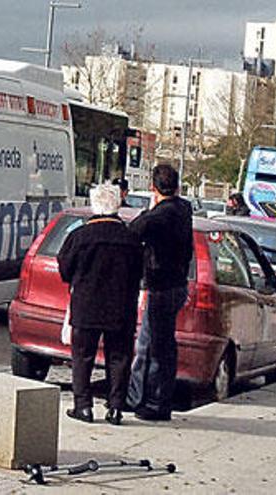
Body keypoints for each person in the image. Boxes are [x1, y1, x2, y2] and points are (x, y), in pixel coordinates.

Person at [57, 183, 143, 425]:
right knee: (119, 357)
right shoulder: (131, 239)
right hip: (121, 306)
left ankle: (83, 406)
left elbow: (64, 269)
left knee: (82, 357)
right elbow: (140, 271)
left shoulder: (80, 237)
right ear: (117, 205)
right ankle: (115, 407)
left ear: (94, 206)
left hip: (86, 305)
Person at [126, 164, 193, 421]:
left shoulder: (159, 215)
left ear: (154, 189)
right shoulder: (183, 209)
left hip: (161, 285)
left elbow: (134, 230)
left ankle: (151, 400)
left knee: (153, 346)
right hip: (178, 283)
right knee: (157, 344)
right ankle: (147, 397)